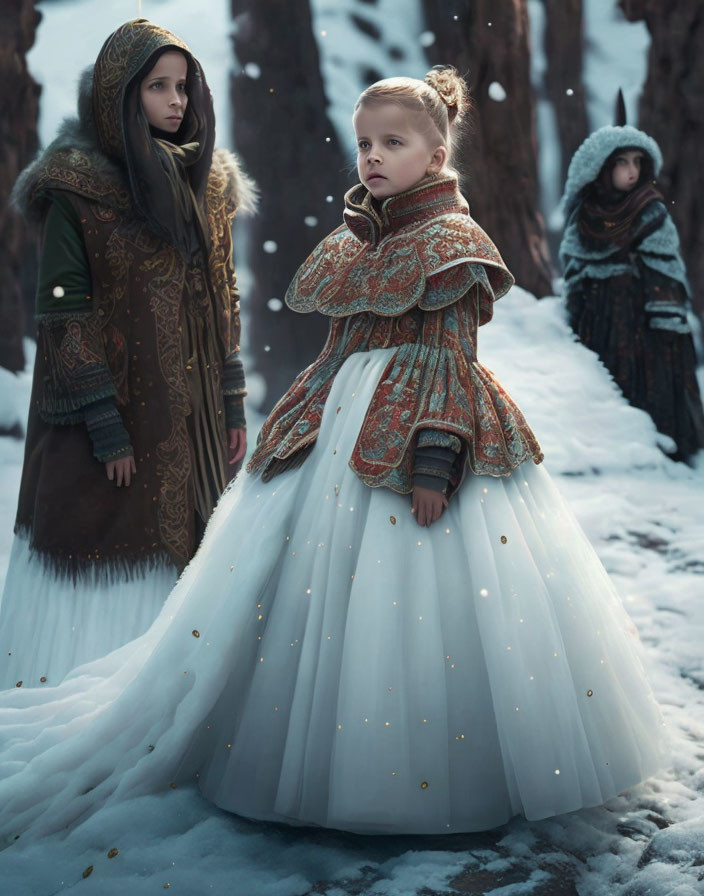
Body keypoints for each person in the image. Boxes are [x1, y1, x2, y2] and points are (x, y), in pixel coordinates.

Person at [0, 67, 663, 842]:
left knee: (428, 609)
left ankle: (426, 773)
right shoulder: (355, 241)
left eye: (393, 143)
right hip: (336, 428)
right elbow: (341, 342)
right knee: (294, 590)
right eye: (363, 144)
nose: (373, 157)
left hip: (413, 439)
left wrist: (434, 463)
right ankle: (281, 750)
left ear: (437, 154)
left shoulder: (451, 245)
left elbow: (448, 363)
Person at [0, 19, 255, 690]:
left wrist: (231, 397)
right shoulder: (78, 188)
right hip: (106, 418)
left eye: (184, 87)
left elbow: (223, 294)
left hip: (191, 415)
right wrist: (103, 422)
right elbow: (62, 310)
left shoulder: (209, 182)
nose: (177, 103)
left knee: (194, 559)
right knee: (109, 549)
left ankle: (178, 701)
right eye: (157, 88)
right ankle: (89, 702)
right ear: (120, 94)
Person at [559, 124, 704, 461]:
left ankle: (661, 446)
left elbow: (666, 273)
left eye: (638, 162)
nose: (632, 172)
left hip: (643, 324)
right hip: (598, 319)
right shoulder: (585, 215)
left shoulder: (650, 211)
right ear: (602, 167)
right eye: (622, 162)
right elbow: (574, 267)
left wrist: (663, 324)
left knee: (647, 390)